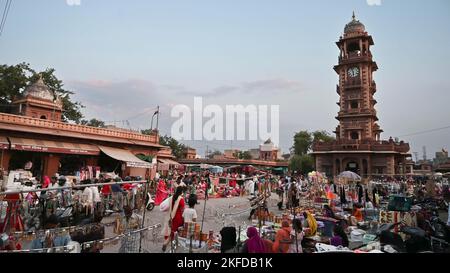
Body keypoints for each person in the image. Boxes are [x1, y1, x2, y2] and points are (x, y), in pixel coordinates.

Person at [162, 187, 185, 252]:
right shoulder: (181, 199)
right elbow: (182, 210)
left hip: (171, 217)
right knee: (176, 233)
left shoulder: (172, 197)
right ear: (181, 192)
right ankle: (173, 247)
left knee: (172, 233)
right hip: (178, 218)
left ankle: (165, 243)